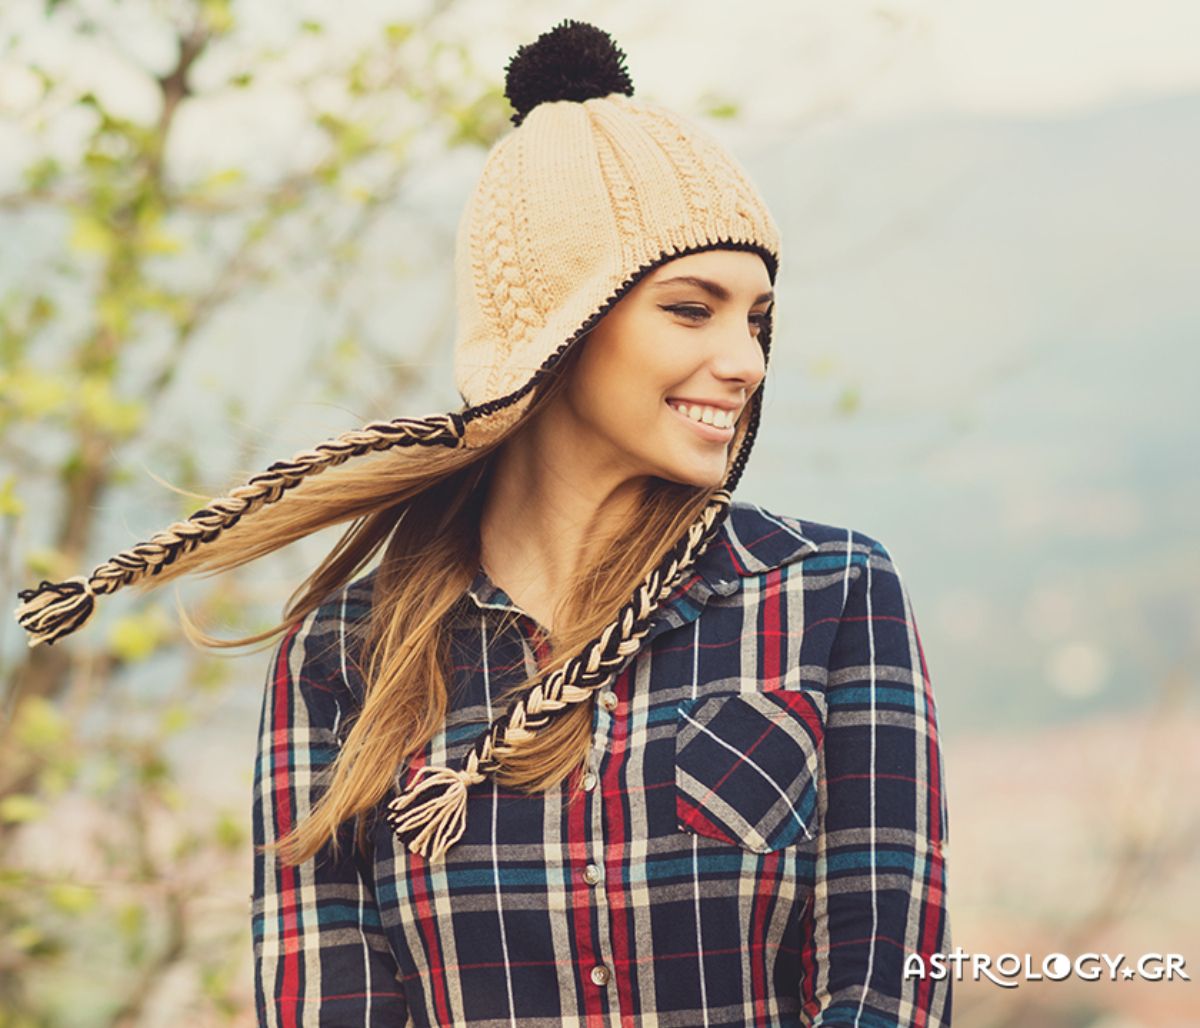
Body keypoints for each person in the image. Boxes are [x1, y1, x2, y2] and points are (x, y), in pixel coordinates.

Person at [14, 19, 951, 1027]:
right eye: (694, 308)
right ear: (561, 325)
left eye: (758, 318)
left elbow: (889, 981)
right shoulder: (343, 658)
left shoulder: (828, 593)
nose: (747, 360)